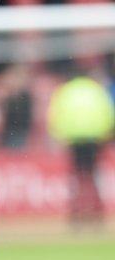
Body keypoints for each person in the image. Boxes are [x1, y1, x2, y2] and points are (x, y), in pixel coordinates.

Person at [47, 76, 114, 227]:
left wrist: (58, 135)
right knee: (92, 177)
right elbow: (108, 113)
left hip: (74, 139)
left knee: (78, 178)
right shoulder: (96, 89)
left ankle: (76, 215)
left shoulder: (66, 90)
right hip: (95, 138)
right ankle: (97, 214)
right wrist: (107, 135)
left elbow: (55, 114)